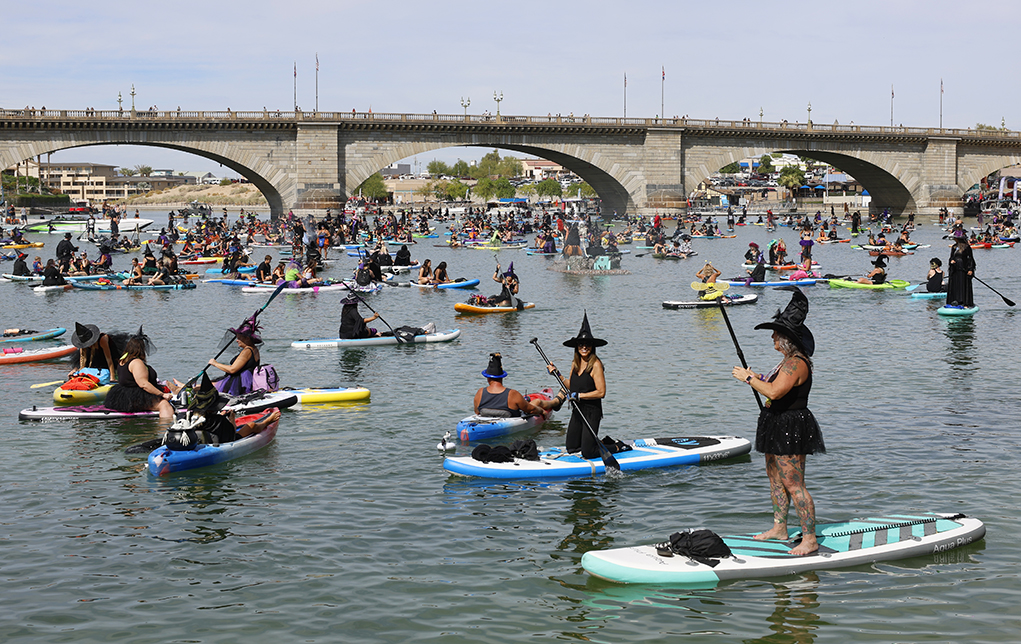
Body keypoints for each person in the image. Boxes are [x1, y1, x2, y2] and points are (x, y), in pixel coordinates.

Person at [730, 288, 824, 556]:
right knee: (774, 478)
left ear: (787, 339)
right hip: (775, 422)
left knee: (794, 483)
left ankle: (809, 538)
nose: (772, 336)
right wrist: (756, 375)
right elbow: (773, 383)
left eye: (775, 333)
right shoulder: (786, 362)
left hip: (790, 425)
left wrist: (747, 379)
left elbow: (774, 392)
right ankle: (779, 528)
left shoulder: (797, 363)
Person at [534, 313, 607, 459]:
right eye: (581, 344)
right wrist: (557, 374)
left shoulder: (596, 365)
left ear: (592, 347)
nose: (584, 347)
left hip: (592, 412)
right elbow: (572, 386)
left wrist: (579, 396)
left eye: (587, 344)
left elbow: (601, 392)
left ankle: (615, 445)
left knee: (587, 453)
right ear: (576, 347)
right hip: (577, 410)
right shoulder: (575, 363)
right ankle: (593, 442)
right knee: (572, 448)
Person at [164, 374, 281, 450]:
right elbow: (231, 435)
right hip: (220, 444)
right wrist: (231, 420)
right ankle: (267, 421)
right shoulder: (219, 422)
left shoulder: (187, 417)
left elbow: (205, 421)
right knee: (251, 425)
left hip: (197, 442)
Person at [104, 327, 177, 418]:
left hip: (122, 397)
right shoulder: (136, 362)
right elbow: (143, 384)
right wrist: (162, 395)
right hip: (135, 398)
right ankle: (165, 428)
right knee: (164, 405)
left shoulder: (123, 360)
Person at [473, 353, 545, 418]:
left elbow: (477, 411)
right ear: (502, 377)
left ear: (488, 378)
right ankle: (555, 402)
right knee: (538, 402)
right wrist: (541, 411)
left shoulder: (480, 392)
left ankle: (555, 402)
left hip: (487, 424)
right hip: (510, 423)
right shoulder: (513, 394)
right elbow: (531, 410)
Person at [209, 317, 262, 395]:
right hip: (245, 380)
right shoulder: (254, 348)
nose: (237, 340)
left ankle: (187, 389)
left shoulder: (247, 351)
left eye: (239, 338)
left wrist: (215, 363)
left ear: (247, 339)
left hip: (240, 384)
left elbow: (232, 369)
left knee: (206, 387)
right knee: (210, 383)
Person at [947, 229, 976, 307]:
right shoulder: (954, 247)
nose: (954, 239)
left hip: (963, 269)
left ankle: (964, 302)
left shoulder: (966, 247)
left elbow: (970, 259)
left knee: (963, 284)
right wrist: (951, 261)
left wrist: (970, 269)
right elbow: (951, 257)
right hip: (955, 269)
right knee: (955, 284)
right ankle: (954, 300)